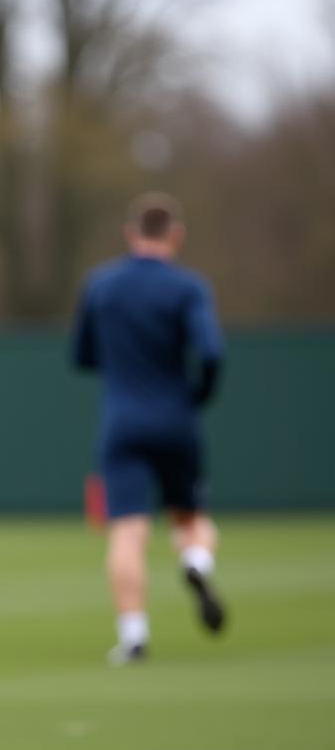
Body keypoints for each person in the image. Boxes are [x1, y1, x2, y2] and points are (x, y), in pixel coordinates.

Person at [71, 192, 226, 666]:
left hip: (123, 421)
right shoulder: (188, 287)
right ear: (175, 235)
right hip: (176, 417)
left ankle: (133, 636)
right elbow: (212, 351)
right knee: (190, 516)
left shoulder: (100, 284)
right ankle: (195, 563)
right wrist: (199, 395)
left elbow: (82, 356)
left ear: (130, 233)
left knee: (127, 532)